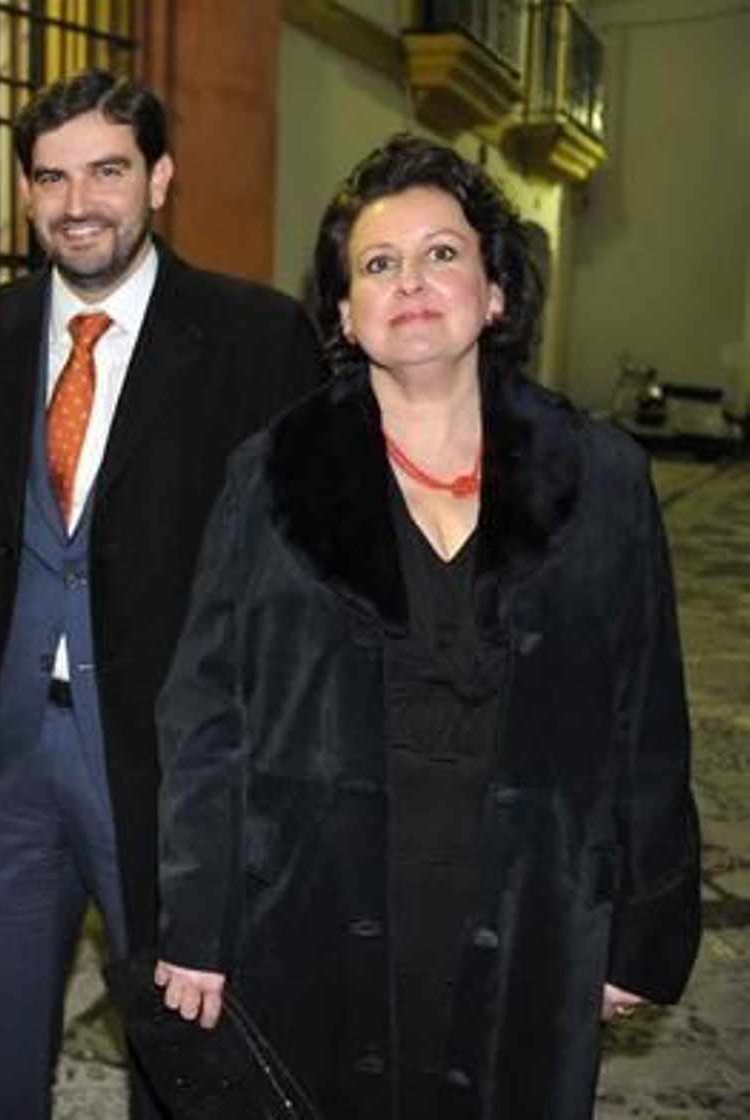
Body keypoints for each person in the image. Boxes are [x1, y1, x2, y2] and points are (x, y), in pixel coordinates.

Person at [155, 134, 702, 1117]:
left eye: (441, 253)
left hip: (531, 914)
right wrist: (197, 918)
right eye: (377, 263)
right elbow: (204, 712)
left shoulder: (603, 477)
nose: (409, 280)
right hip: (312, 908)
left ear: (494, 292)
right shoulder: (269, 475)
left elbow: (646, 718)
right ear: (344, 313)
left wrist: (642, 925)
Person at [0, 69, 322, 1118]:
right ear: (25, 192)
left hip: (170, 761)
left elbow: (301, 581)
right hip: (8, 753)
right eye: (51, 178)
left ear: (159, 178)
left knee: (180, 1046)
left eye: (106, 171)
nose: (78, 204)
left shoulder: (256, 338)